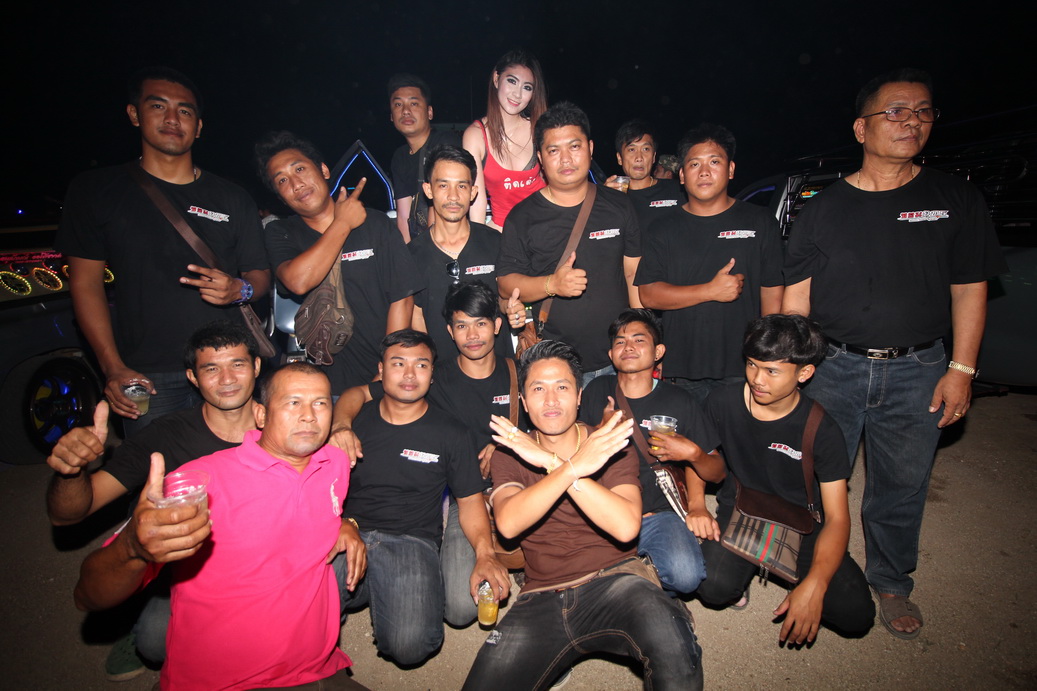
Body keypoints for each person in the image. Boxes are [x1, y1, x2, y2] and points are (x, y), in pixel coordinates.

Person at [782, 68, 1006, 639]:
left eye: (923, 111)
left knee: (902, 482)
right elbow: (797, 299)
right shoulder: (824, 208)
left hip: (920, 367)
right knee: (813, 472)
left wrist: (962, 370)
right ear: (861, 128)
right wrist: (790, 365)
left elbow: (970, 289)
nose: (911, 121)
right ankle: (809, 563)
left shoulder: (954, 198)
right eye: (895, 111)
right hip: (833, 366)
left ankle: (890, 580)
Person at [73, 363, 370, 690]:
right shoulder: (201, 484)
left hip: (315, 669)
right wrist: (132, 547)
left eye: (320, 403)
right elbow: (88, 596)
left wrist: (346, 523)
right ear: (261, 415)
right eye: (293, 402)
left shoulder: (335, 462)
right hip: (219, 680)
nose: (309, 416)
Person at [463, 340, 703, 690]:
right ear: (524, 402)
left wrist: (550, 463)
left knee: (676, 656)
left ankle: (670, 613)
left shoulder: (609, 444)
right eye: (538, 389)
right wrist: (569, 467)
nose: (551, 400)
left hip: (617, 581)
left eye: (562, 387)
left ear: (578, 396)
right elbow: (510, 524)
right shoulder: (510, 452)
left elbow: (625, 527)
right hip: (541, 595)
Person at [44, 321, 279, 679]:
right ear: (192, 377)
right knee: (154, 641)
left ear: (257, 366)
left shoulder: (283, 424)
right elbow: (68, 515)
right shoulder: (166, 435)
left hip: (264, 559)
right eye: (211, 369)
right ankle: (136, 619)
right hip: (189, 570)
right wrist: (71, 471)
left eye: (238, 364)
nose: (227, 379)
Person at [55, 67, 270, 433]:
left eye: (184, 111)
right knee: (155, 466)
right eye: (158, 106)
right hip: (146, 372)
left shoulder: (233, 197)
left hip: (226, 365)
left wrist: (240, 289)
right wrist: (112, 366)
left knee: (237, 464)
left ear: (198, 127)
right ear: (134, 114)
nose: (172, 118)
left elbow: (260, 275)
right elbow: (86, 284)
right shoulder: (97, 190)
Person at [694, 314, 875, 644]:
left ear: (804, 373)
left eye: (772, 371)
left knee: (856, 614)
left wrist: (815, 583)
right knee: (712, 587)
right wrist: (697, 505)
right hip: (743, 507)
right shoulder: (722, 401)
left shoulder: (821, 428)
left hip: (800, 520)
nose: (757, 379)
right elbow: (700, 455)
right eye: (751, 365)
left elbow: (837, 518)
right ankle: (746, 568)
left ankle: (791, 574)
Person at [341, 330, 509, 666]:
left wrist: (485, 554)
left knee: (411, 646)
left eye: (420, 365)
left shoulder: (452, 433)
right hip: (350, 531)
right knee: (299, 606)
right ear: (381, 370)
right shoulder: (352, 422)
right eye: (398, 364)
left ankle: (383, 593)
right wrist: (339, 523)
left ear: (432, 374)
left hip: (410, 541)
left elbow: (470, 500)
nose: (409, 374)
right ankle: (371, 591)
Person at [256, 131, 419, 392]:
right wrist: (342, 223)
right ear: (279, 195)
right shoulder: (281, 232)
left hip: (383, 373)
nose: (296, 184)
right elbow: (298, 281)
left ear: (323, 170)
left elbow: (402, 299)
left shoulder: (375, 224)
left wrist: (388, 368)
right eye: (283, 180)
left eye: (300, 169)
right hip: (325, 382)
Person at [578, 309, 724, 595]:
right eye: (620, 342)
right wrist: (599, 432)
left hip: (658, 513)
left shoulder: (679, 400)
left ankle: (635, 580)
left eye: (639, 340)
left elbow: (717, 473)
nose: (628, 347)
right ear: (610, 354)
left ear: (658, 352)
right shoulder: (596, 389)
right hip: (604, 508)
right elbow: (570, 452)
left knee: (686, 576)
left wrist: (693, 454)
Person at [636, 123, 784, 403]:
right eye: (694, 164)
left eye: (714, 162)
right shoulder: (662, 228)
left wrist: (769, 356)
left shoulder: (760, 221)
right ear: (682, 175)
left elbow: (772, 293)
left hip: (745, 368)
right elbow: (649, 294)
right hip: (682, 369)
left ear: (731, 169)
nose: (704, 171)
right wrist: (711, 291)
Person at [498, 101, 642, 385]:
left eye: (574, 147)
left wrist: (641, 337)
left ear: (590, 148)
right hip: (554, 364)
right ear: (541, 157)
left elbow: (633, 274)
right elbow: (505, 284)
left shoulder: (620, 206)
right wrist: (552, 284)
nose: (565, 159)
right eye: (554, 150)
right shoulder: (522, 217)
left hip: (618, 358)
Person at [406, 145, 520, 359]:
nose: (453, 196)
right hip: (442, 374)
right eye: (443, 185)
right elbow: (417, 318)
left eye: (461, 186)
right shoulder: (412, 255)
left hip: (499, 370)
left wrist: (514, 309)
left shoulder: (496, 242)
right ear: (429, 190)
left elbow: (507, 299)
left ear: (473, 192)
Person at [462, 49, 548, 230]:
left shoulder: (538, 128)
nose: (517, 94)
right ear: (496, 79)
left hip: (545, 227)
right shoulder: (475, 135)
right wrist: (479, 240)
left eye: (527, 87)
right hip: (503, 231)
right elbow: (477, 201)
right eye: (512, 81)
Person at [387, 73, 462, 242]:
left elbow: (442, 205)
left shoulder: (445, 142)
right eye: (398, 104)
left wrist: (427, 252)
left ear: (429, 112)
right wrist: (407, 253)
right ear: (391, 116)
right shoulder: (400, 157)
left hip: (450, 239)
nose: (406, 111)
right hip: (424, 242)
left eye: (414, 103)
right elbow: (404, 216)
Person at [604, 119, 683, 229]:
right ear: (619, 158)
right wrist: (602, 199)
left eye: (646, 149)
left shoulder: (677, 191)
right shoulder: (612, 197)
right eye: (631, 150)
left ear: (654, 156)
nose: (639, 158)